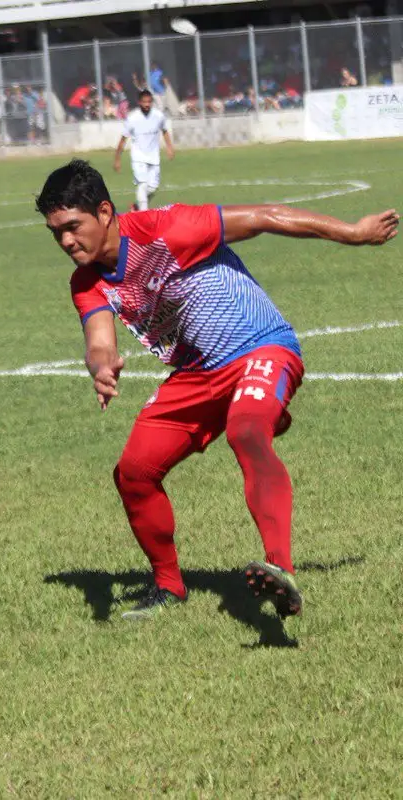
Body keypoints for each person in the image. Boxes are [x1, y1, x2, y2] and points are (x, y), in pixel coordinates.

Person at [36, 159, 398, 622]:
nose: (66, 241)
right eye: (55, 232)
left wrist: (352, 232)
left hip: (259, 348)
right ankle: (168, 586)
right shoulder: (86, 282)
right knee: (134, 473)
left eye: (72, 226)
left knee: (246, 431)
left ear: (105, 212)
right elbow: (99, 341)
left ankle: (280, 570)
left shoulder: (169, 228)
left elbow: (266, 216)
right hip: (195, 375)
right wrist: (101, 366)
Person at [113, 90, 173, 212]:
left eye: (149, 102)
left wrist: (169, 147)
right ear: (139, 102)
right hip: (138, 157)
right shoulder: (132, 118)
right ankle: (143, 214)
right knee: (142, 184)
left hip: (154, 157)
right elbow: (123, 139)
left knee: (152, 187)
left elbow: (165, 131)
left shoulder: (158, 116)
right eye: (144, 102)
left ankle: (136, 206)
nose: (147, 104)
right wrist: (117, 159)